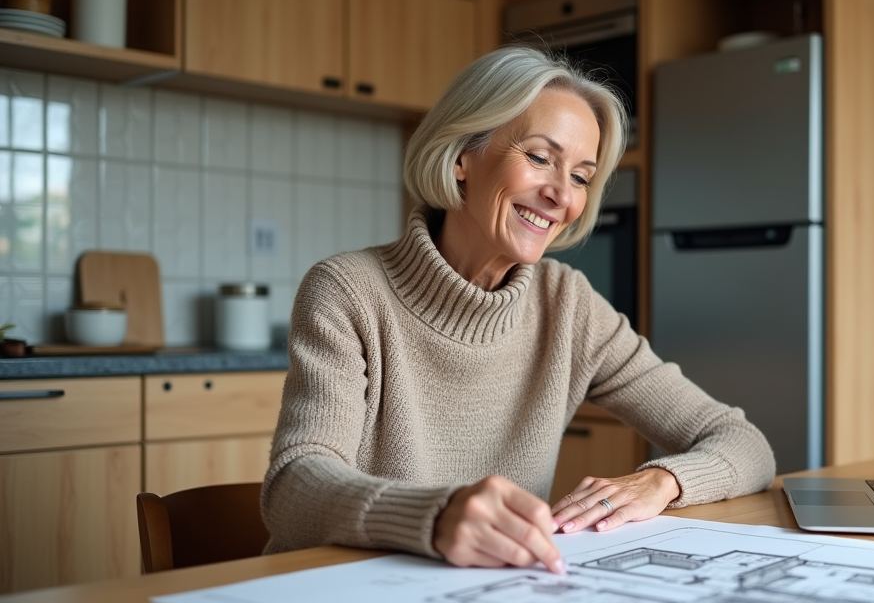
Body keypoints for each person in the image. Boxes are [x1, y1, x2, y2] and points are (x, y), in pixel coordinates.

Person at [261, 46, 776, 575]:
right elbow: (295, 487)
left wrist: (661, 482)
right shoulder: (348, 291)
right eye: (539, 157)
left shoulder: (567, 305)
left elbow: (746, 444)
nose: (560, 195)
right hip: (339, 600)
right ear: (462, 156)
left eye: (580, 176)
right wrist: (434, 517)